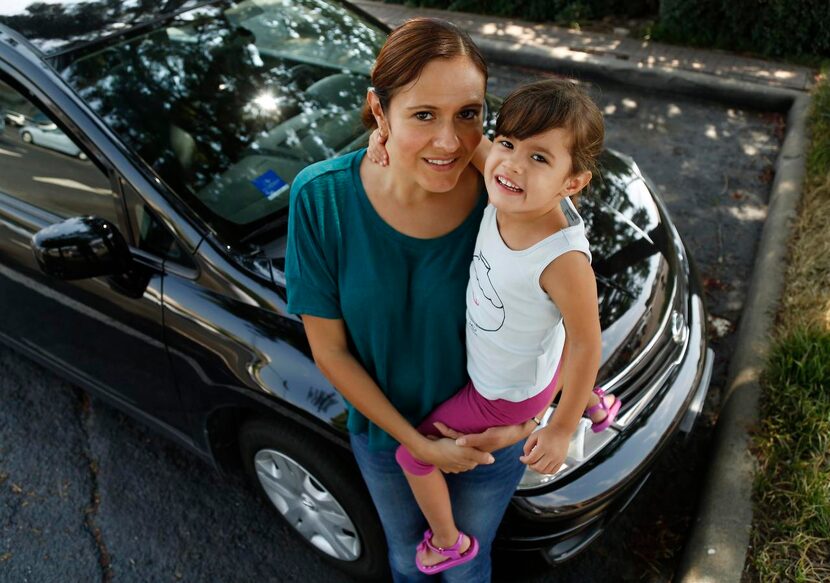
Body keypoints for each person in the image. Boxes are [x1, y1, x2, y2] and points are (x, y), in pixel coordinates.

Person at [285, 17, 541, 582]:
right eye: (423, 114)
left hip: (486, 442)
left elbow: (563, 317)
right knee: (409, 565)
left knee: (467, 571)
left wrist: (524, 427)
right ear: (378, 110)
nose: (449, 141)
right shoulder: (321, 199)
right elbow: (330, 350)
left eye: (467, 114)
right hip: (384, 439)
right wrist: (416, 446)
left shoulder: (508, 206)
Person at [368, 78, 618, 574]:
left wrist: (560, 428)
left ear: (573, 184)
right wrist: (386, 138)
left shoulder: (562, 259)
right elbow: (466, 143)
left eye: (540, 158)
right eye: (508, 143)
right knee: (553, 352)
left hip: (502, 392)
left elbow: (588, 341)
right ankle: (594, 400)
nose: (513, 164)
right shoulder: (506, 182)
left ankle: (447, 542)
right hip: (533, 359)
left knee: (413, 455)